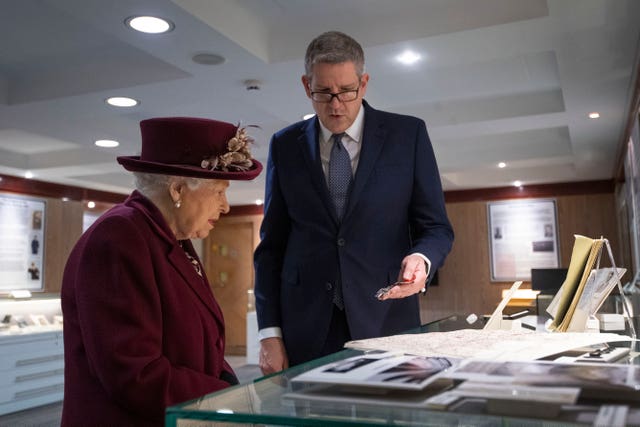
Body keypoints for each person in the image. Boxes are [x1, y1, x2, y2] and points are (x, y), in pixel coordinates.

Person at [254, 31, 454, 374]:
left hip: (386, 320)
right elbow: (272, 247)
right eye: (323, 92)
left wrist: (422, 258)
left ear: (364, 83)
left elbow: (435, 227)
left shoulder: (408, 136)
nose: (335, 105)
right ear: (306, 86)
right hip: (305, 325)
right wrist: (269, 334)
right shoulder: (284, 146)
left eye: (346, 91)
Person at [60, 117, 262, 426]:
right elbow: (134, 373)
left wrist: (228, 382)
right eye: (219, 191)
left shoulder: (168, 236)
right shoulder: (119, 236)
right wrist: (225, 395)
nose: (225, 207)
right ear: (179, 189)